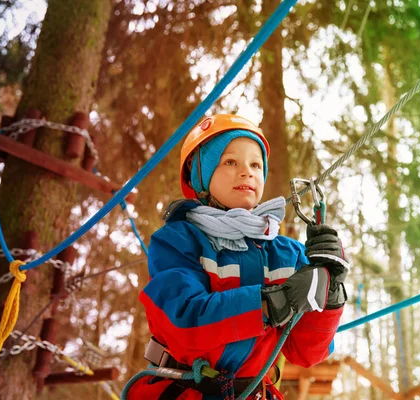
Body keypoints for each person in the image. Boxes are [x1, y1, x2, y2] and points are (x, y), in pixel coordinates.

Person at [128, 114, 349, 399]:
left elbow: (306, 352)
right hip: (186, 391)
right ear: (201, 177)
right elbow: (183, 321)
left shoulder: (286, 254)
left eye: (255, 165)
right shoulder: (180, 240)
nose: (247, 172)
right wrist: (272, 303)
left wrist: (330, 295)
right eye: (230, 162)